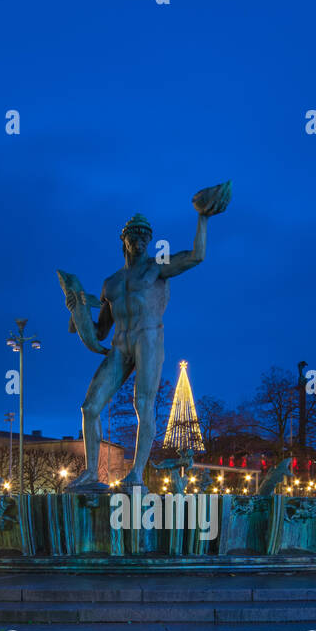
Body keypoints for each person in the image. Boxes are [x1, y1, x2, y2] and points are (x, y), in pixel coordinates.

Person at [63, 184, 230, 491]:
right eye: (134, 236)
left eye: (145, 237)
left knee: (144, 403)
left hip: (148, 338)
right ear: (124, 239)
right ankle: (90, 473)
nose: (140, 241)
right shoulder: (110, 283)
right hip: (120, 344)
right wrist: (75, 313)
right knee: (89, 407)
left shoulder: (156, 269)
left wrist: (202, 219)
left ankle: (136, 474)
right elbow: (98, 332)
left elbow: (196, 256)